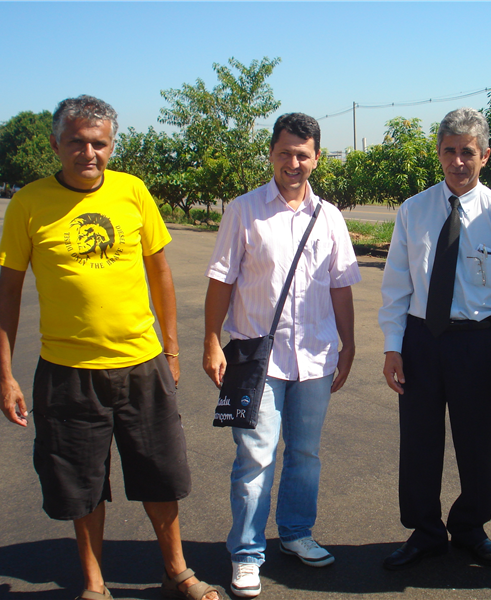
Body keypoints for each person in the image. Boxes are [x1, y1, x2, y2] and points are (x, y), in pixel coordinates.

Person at [0, 95, 218, 600]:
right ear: (56, 144)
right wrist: (5, 374)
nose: (88, 152)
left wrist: (172, 350)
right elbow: (8, 293)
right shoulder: (28, 203)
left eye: (99, 143)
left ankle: (177, 571)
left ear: (112, 146)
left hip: (142, 364)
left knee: (160, 476)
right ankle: (94, 584)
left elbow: (160, 272)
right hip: (67, 371)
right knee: (80, 482)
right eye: (76, 142)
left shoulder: (132, 191)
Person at [203, 113, 360, 598]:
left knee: (306, 454)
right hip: (258, 359)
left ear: (316, 158)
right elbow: (222, 279)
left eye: (303, 154)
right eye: (285, 152)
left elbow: (340, 286)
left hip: (314, 356)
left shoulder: (330, 216)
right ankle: (247, 553)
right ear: (271, 153)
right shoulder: (244, 210)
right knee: (255, 455)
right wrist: (211, 339)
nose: (294, 162)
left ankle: (295, 533)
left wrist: (349, 343)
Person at [378, 107, 491, 571]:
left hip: (478, 346)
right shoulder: (414, 210)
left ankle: (469, 528)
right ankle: (425, 532)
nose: (458, 161)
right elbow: (396, 287)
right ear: (439, 154)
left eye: (468, 152)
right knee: (419, 442)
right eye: (450, 151)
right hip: (421, 342)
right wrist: (393, 346)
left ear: (484, 156)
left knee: (475, 442)